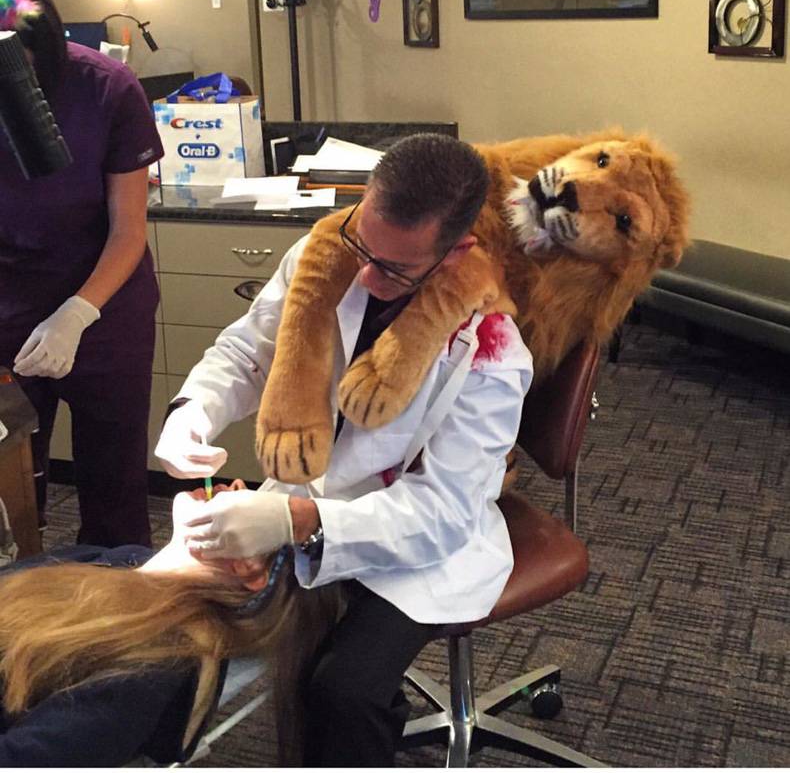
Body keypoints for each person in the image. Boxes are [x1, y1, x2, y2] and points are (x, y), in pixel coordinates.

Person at [155, 132, 535, 766]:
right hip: (310, 499)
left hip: (421, 543)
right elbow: (251, 351)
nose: (364, 273)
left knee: (342, 692)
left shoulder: (492, 356)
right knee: (172, 633)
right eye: (361, 242)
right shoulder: (326, 255)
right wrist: (192, 412)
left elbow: (442, 511)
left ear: (455, 252)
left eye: (392, 268)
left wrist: (296, 522)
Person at [0, 480, 342, 766]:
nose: (236, 484)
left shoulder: (156, 666)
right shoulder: (119, 561)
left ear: (250, 568)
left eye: (257, 507)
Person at [0, 0, 163, 546]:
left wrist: (77, 313)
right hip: (9, 303)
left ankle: (118, 608)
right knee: (11, 480)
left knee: (113, 484)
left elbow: (129, 229)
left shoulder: (106, 87)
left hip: (106, 305)